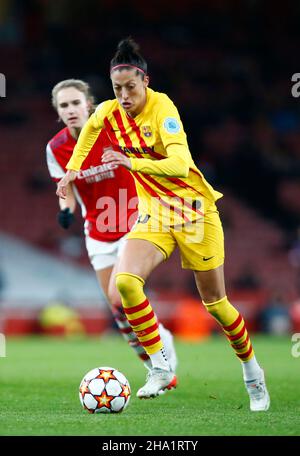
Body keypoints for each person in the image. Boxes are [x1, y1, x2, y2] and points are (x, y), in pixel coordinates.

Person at [56, 40, 270, 411]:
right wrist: (73, 170)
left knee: (216, 305)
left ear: (146, 82)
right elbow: (90, 131)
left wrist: (129, 163)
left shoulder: (163, 108)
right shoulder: (109, 111)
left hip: (195, 214)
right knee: (124, 283)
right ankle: (159, 365)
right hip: (154, 214)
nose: (123, 96)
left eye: (130, 88)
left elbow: (178, 165)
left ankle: (253, 372)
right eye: (117, 88)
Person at [47, 79, 177, 392]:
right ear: (58, 111)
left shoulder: (114, 129)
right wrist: (66, 209)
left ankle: (160, 355)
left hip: (136, 223)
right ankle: (154, 364)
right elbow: (67, 190)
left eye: (75, 103)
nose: (71, 110)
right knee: (117, 309)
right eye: (63, 105)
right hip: (98, 232)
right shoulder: (55, 148)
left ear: (88, 104)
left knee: (122, 293)